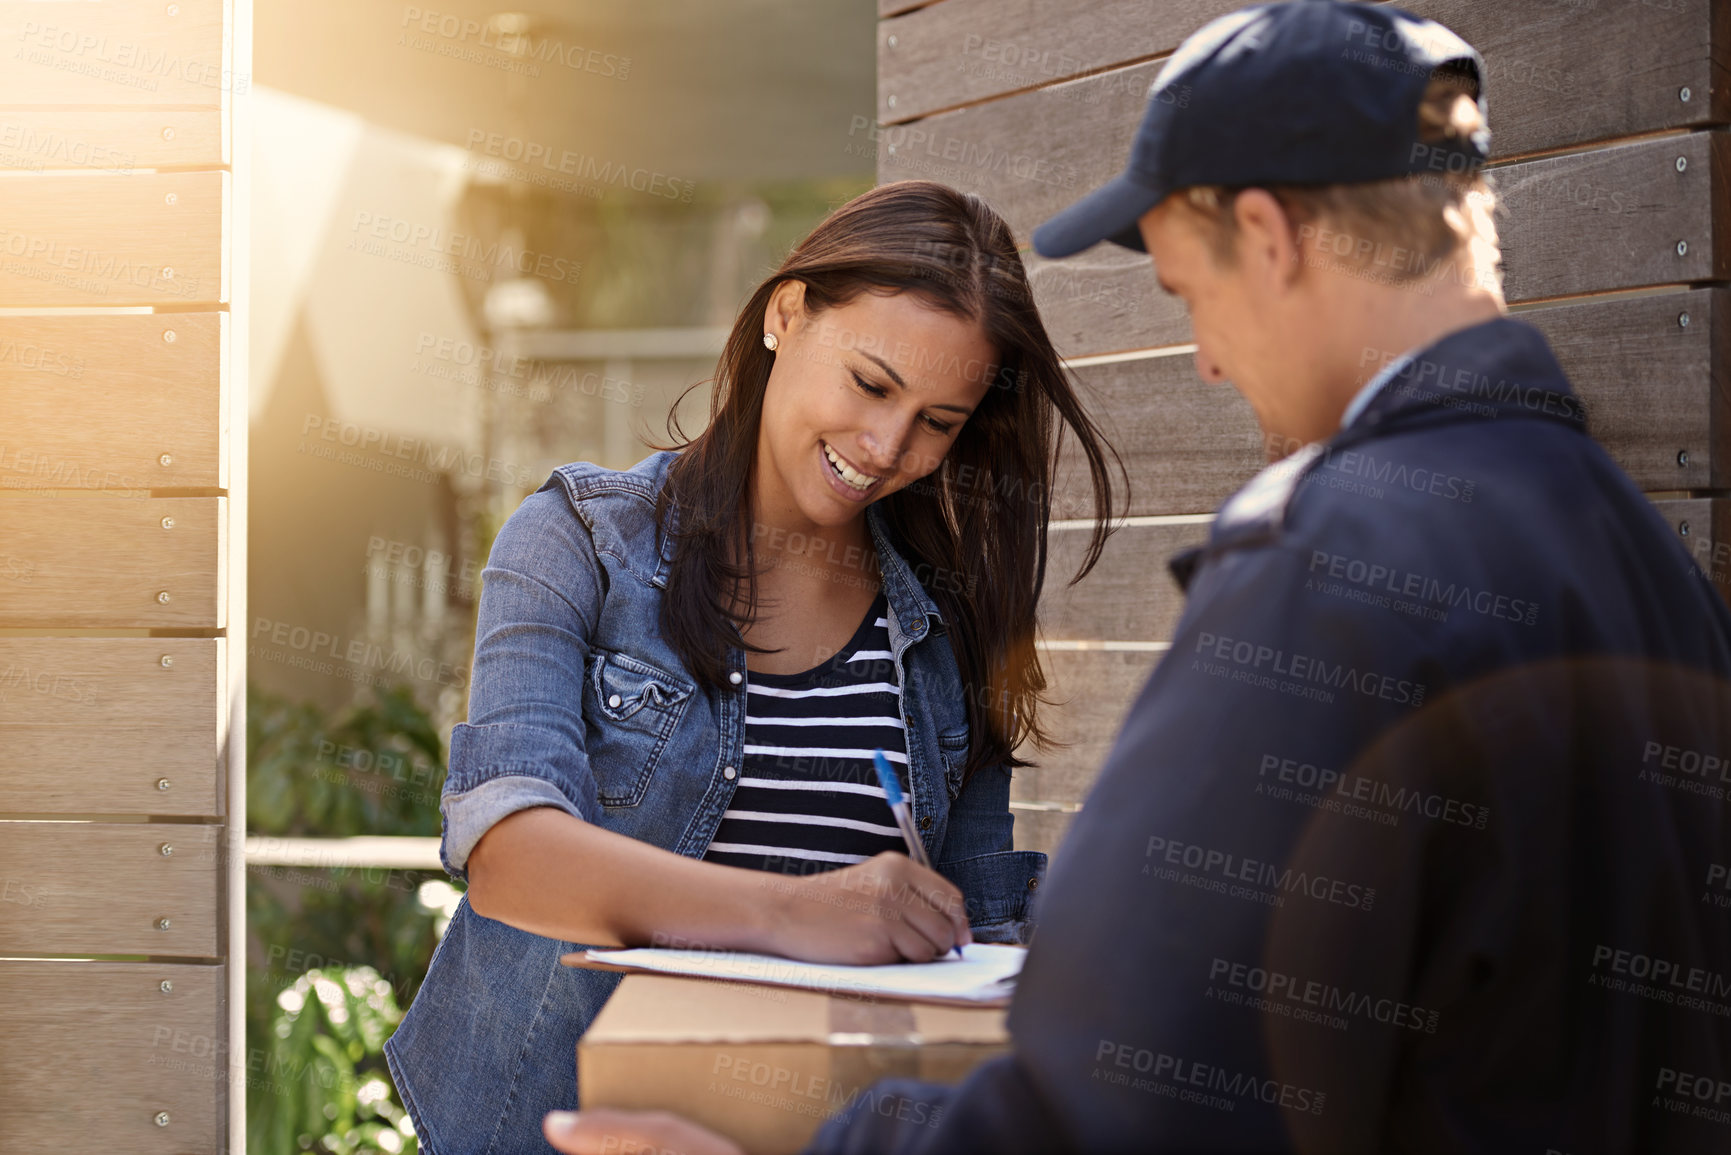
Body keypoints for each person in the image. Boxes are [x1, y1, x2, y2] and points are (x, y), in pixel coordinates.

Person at [540, 3, 1731, 1153]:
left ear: (1267, 235)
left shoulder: (1331, 565)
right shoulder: (1649, 567)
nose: (1208, 361)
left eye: (1190, 296)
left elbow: (1127, 1095)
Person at [382, 178, 1124, 1153]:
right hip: (549, 1125)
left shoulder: (946, 628)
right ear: (787, 315)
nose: (886, 446)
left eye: (939, 423)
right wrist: (799, 913)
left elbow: (977, 947)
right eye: (871, 384)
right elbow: (511, 857)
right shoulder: (578, 541)